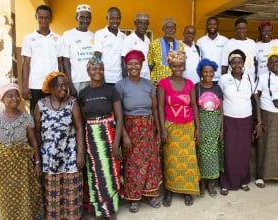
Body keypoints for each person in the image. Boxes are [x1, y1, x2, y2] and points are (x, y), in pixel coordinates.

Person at [0, 83, 44, 219]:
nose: (15, 98)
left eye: (17, 95)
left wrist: (37, 163)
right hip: (2, 167)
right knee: (6, 202)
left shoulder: (26, 118)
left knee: (26, 200)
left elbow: (34, 141)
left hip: (23, 166)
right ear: (2, 99)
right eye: (10, 96)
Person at [115, 50, 162, 213]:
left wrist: (157, 129)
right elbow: (118, 113)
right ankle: (134, 198)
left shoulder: (149, 84)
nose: (133, 66)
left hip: (148, 127)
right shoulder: (121, 85)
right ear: (126, 66)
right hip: (130, 128)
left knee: (151, 162)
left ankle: (151, 195)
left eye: (137, 63)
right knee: (133, 164)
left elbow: (155, 109)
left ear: (142, 65)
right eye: (130, 64)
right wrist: (124, 135)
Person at [34, 72, 85, 219]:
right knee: (53, 194)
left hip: (69, 155)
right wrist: (38, 158)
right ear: (51, 87)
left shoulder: (72, 102)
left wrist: (80, 153)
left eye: (66, 85)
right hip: (50, 157)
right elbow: (37, 132)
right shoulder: (41, 105)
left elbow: (79, 128)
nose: (64, 88)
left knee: (72, 191)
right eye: (61, 85)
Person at [79, 57, 123, 219]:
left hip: (109, 134)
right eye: (94, 69)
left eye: (100, 68)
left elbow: (119, 119)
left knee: (111, 172)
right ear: (88, 71)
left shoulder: (111, 91)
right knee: (94, 174)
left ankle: (110, 210)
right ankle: (98, 210)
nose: (97, 71)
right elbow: (83, 121)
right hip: (91, 137)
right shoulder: (83, 93)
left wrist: (116, 144)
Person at [158, 50, 201, 207]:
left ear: (184, 66)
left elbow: (194, 105)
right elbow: (160, 107)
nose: (177, 68)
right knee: (171, 160)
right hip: (171, 126)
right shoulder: (163, 83)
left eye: (180, 65)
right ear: (170, 65)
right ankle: (169, 191)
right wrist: (162, 129)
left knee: (188, 160)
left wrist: (198, 127)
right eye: (174, 65)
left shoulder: (190, 83)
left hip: (187, 127)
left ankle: (187, 191)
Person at [218, 49, 257, 195]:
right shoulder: (224, 79)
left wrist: (257, 121)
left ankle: (243, 180)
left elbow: (256, 99)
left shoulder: (249, 79)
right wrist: (221, 122)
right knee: (229, 151)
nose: (236, 65)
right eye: (233, 63)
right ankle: (226, 182)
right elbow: (220, 100)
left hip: (246, 118)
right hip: (229, 118)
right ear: (229, 65)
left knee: (244, 151)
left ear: (243, 64)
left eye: (239, 62)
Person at [253, 52, 278, 188]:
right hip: (268, 114)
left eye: (277, 62)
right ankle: (260, 176)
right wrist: (259, 119)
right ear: (268, 66)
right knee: (265, 144)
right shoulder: (263, 78)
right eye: (272, 62)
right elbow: (256, 96)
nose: (275, 64)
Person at [21, 4, 64, 115]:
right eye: (41, 17)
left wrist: (64, 84)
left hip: (54, 84)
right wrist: (25, 86)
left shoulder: (58, 39)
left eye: (46, 17)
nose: (43, 20)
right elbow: (26, 63)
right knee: (36, 116)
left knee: (54, 114)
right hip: (35, 84)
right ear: (36, 17)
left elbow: (60, 62)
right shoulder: (28, 39)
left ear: (51, 18)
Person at [195, 58, 224, 197]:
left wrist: (222, 128)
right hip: (202, 125)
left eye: (210, 71)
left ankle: (211, 184)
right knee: (201, 155)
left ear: (214, 73)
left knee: (213, 155)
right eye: (205, 71)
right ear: (200, 72)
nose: (208, 74)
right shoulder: (197, 87)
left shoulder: (217, 87)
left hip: (214, 125)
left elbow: (221, 110)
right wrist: (197, 128)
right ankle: (201, 184)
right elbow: (194, 109)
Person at [63, 4, 94, 96]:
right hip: (76, 81)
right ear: (76, 17)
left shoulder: (94, 35)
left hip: (92, 80)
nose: (85, 20)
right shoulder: (67, 35)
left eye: (88, 17)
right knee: (76, 109)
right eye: (82, 17)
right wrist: (70, 84)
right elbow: (65, 61)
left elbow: (96, 58)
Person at [94, 7, 126, 85]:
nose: (115, 21)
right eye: (112, 18)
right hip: (105, 79)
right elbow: (97, 57)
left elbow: (123, 60)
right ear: (107, 18)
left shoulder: (124, 37)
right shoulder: (99, 34)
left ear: (121, 18)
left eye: (117, 18)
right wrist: (101, 77)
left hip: (119, 79)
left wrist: (125, 79)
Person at [148, 17, 184, 86]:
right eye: (167, 27)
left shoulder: (180, 45)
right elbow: (150, 65)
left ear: (175, 30)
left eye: (172, 27)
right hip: (157, 83)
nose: (170, 30)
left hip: (174, 84)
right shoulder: (154, 44)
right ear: (163, 29)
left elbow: (180, 66)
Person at [197, 16, 228, 83]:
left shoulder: (225, 40)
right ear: (206, 25)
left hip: (221, 79)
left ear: (217, 26)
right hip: (205, 78)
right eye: (210, 24)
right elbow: (199, 60)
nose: (212, 26)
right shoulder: (200, 41)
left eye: (214, 24)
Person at [121, 13, 151, 80]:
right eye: (140, 23)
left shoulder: (147, 40)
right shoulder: (128, 39)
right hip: (132, 78)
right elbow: (123, 61)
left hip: (146, 77)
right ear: (135, 23)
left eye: (145, 23)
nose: (143, 26)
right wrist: (126, 81)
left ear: (148, 25)